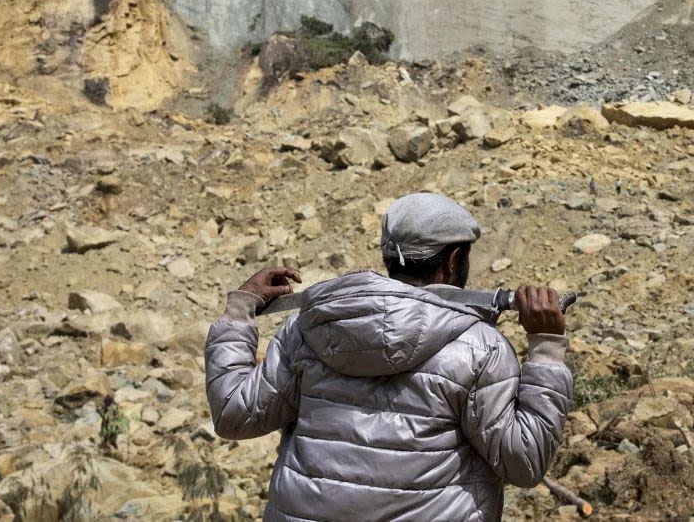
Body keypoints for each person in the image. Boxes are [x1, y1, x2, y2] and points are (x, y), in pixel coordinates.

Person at [205, 192, 572, 521]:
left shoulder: (307, 329)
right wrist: (546, 345)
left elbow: (234, 415)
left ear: (389, 257)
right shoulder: (481, 348)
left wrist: (241, 312)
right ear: (454, 260)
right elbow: (524, 462)